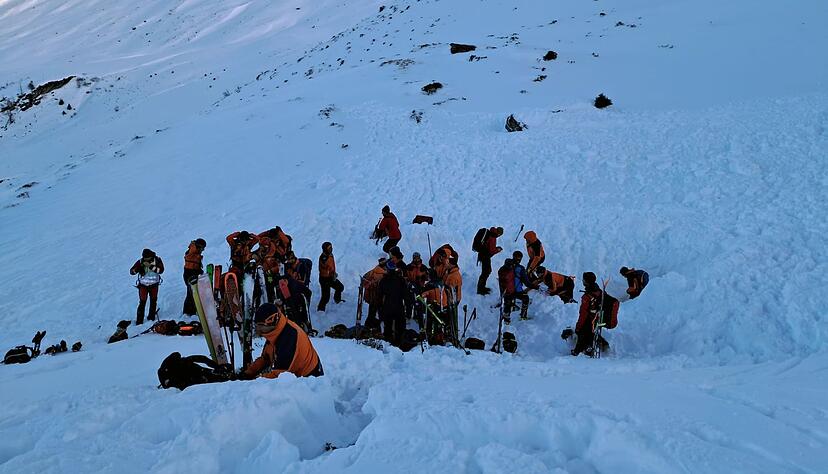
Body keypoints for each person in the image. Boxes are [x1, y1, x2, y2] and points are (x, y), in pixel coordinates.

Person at [241, 303, 323, 379]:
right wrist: (249, 372)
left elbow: (278, 376)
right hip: (297, 376)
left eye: (261, 326)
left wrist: (256, 380)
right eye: (256, 325)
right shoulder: (276, 331)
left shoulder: (288, 338)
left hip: (311, 381)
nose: (257, 329)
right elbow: (266, 359)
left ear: (272, 323)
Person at [572, 272, 608, 356]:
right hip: (598, 318)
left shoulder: (587, 296)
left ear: (586, 281)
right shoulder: (599, 291)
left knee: (581, 332)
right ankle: (593, 347)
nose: (582, 281)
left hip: (589, 319)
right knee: (591, 333)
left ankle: (577, 351)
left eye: (583, 279)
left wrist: (578, 326)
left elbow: (583, 314)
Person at [378, 261, 413, 346]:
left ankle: (387, 344)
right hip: (399, 307)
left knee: (388, 328)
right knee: (400, 328)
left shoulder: (383, 280)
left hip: (387, 307)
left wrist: (380, 311)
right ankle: (399, 344)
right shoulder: (401, 280)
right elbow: (406, 296)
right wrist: (408, 311)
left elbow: (379, 297)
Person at [130, 249, 165, 325]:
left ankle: (151, 317)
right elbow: (131, 272)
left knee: (153, 301)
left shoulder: (157, 260)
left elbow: (161, 271)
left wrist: (150, 266)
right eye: (144, 258)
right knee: (142, 303)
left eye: (147, 258)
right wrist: (137, 269)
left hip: (154, 285)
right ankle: (139, 321)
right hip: (143, 286)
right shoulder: (140, 261)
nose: (145, 259)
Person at [361, 257, 388, 330]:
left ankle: (369, 327)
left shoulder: (374, 271)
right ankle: (372, 328)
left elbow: (363, 279)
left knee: (373, 313)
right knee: (377, 314)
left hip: (374, 297)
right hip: (377, 297)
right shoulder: (380, 272)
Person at [475, 227, 503, 295]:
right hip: (485, 256)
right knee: (486, 271)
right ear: (499, 233)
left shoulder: (490, 233)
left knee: (486, 271)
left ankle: (481, 287)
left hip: (482, 254)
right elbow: (491, 251)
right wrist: (498, 250)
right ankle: (480, 289)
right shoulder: (493, 237)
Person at [317, 242, 344, 311]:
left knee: (340, 287)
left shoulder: (330, 255)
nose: (331, 249)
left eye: (331, 247)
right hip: (325, 279)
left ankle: (337, 300)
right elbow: (323, 271)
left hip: (330, 277)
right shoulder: (324, 258)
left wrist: (333, 273)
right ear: (325, 249)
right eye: (329, 248)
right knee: (325, 297)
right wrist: (332, 274)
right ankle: (320, 309)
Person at [182, 238, 206, 315]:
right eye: (202, 248)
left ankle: (192, 309)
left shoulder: (196, 253)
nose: (202, 250)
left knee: (193, 292)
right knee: (191, 293)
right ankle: (188, 311)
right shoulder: (192, 251)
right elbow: (193, 248)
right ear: (198, 246)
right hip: (189, 274)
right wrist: (194, 244)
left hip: (193, 273)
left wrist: (199, 271)